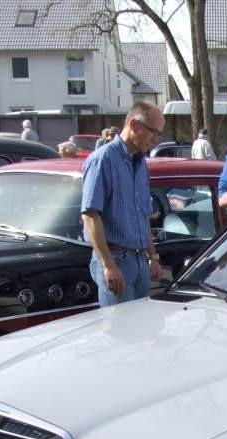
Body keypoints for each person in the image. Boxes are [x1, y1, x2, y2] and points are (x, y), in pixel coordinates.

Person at [80, 102, 165, 306]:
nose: (155, 140)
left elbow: (142, 216)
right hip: (115, 259)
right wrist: (108, 265)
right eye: (153, 131)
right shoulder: (103, 159)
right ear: (134, 125)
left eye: (159, 134)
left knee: (141, 324)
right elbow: (90, 215)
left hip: (139, 259)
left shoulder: (141, 163)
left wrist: (152, 257)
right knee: (118, 325)